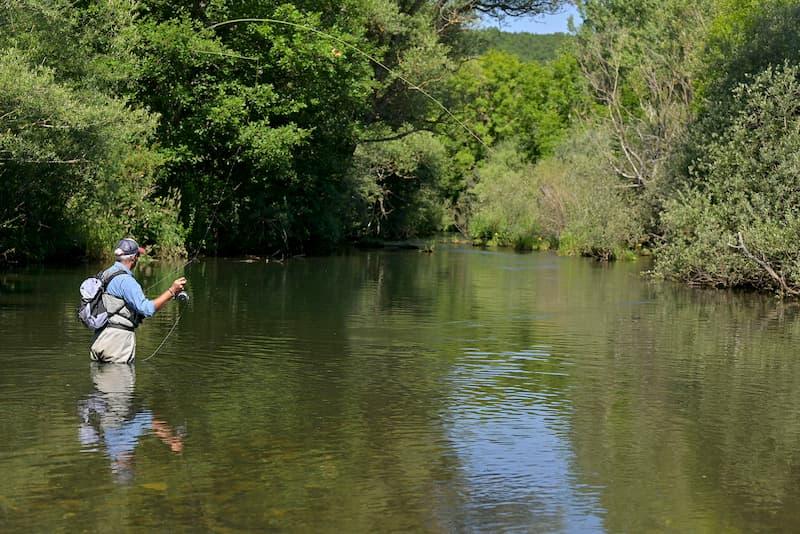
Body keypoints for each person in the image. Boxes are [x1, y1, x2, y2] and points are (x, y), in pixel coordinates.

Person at [89, 238, 186, 364]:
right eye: (138, 255)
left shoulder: (105, 274)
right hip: (117, 343)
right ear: (134, 258)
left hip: (99, 339)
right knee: (120, 381)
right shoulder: (127, 281)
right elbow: (147, 309)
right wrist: (172, 291)